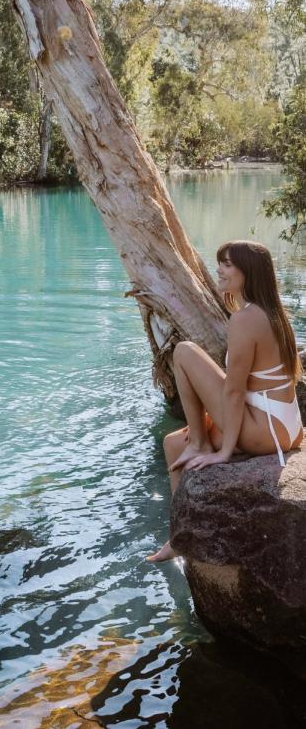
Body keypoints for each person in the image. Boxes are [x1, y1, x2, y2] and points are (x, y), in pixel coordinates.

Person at [148, 239, 303, 563]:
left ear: (249, 272)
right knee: (174, 444)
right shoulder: (271, 313)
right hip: (285, 425)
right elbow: (250, 384)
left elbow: (233, 392)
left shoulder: (245, 319)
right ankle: (179, 535)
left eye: (228, 264)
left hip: (266, 430)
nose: (219, 269)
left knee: (184, 351)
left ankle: (201, 444)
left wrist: (225, 451)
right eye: (220, 262)